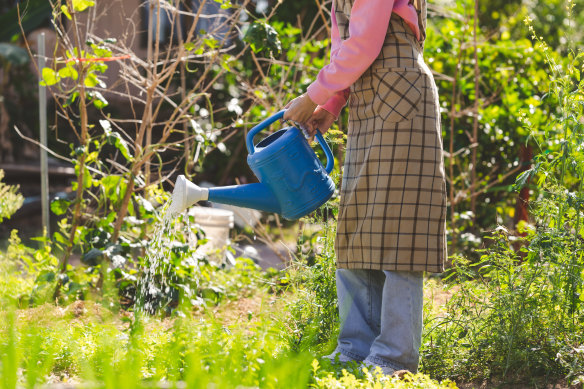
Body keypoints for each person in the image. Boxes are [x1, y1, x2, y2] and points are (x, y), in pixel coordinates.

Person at [283, 0, 447, 375]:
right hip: (367, 103)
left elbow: (367, 43)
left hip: (403, 98)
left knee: (398, 234)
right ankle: (355, 349)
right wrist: (331, 105)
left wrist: (312, 97)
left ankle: (393, 358)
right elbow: (346, 48)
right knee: (358, 229)